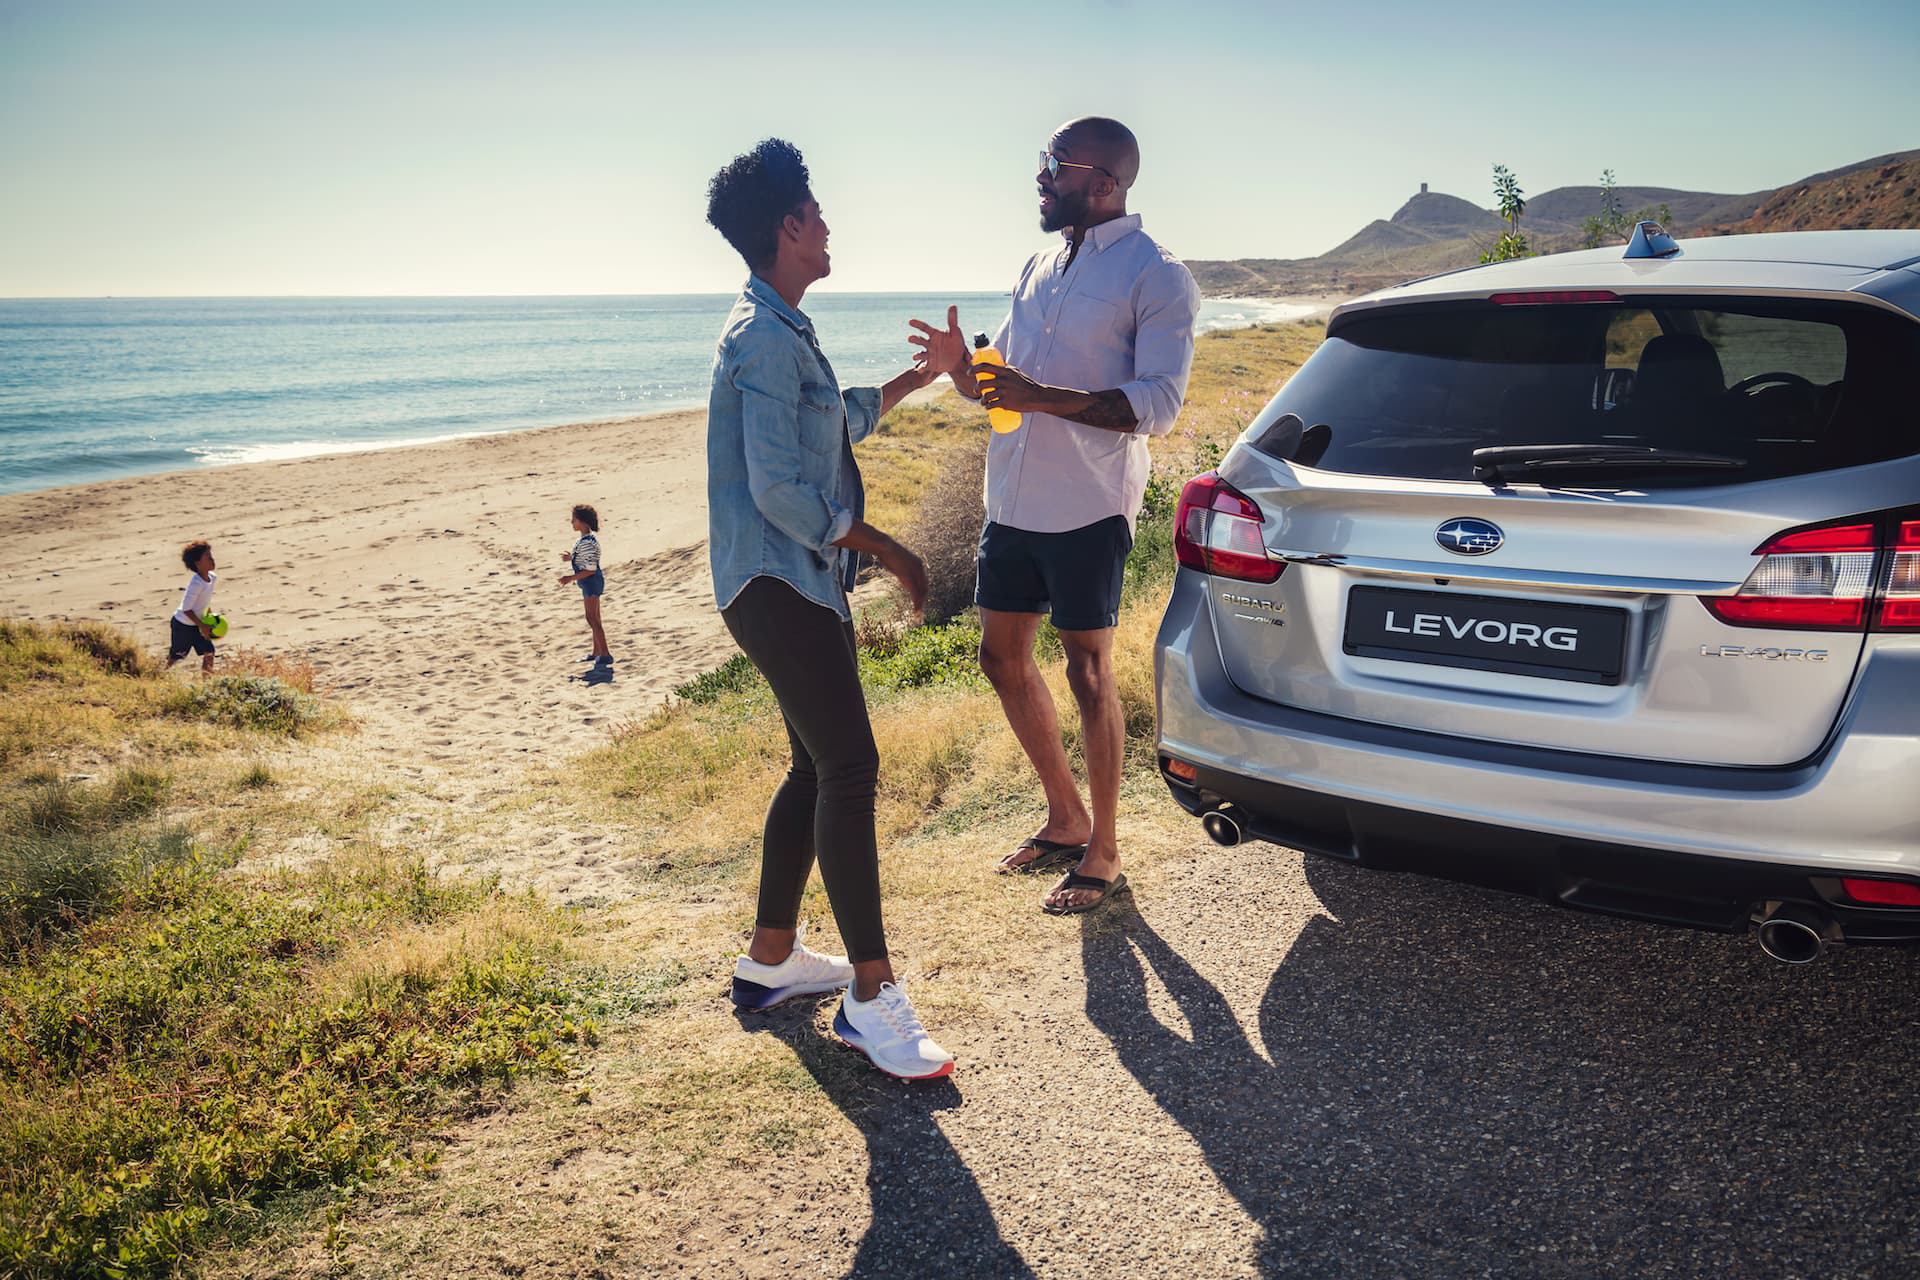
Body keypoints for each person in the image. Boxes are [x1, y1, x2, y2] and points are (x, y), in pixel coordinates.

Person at [705, 138, 966, 1079]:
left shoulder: (782, 329)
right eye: (815, 213)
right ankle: (870, 995)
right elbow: (780, 492)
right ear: (787, 226)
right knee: (850, 765)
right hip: (778, 582)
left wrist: (920, 379)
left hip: (786, 584)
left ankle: (769, 962)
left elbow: (835, 421)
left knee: (816, 768)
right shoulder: (763, 339)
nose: (827, 227)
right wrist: (883, 544)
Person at [932, 116, 1199, 915]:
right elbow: (1000, 389)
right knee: (999, 660)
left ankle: (1106, 851)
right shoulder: (1040, 263)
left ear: (1105, 183)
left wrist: (1039, 398)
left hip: (1088, 504)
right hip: (1011, 495)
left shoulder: (1159, 275)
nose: (1040, 177)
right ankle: (1065, 816)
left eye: (1054, 165)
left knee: (1088, 674)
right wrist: (962, 372)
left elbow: (1160, 404)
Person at [557, 503, 611, 669]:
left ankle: (606, 654)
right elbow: (585, 560)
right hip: (590, 581)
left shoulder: (587, 542)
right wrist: (571, 558)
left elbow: (589, 569)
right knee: (595, 617)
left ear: (581, 521)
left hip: (591, 582)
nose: (572, 523)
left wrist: (569, 578)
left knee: (592, 618)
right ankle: (597, 652)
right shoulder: (586, 540)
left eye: (573, 520)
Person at [166, 539, 219, 674]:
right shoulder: (196, 584)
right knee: (177, 655)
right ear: (198, 563)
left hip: (198, 624)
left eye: (211, 555)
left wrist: (210, 618)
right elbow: (186, 609)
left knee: (209, 652)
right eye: (207, 557)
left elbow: (204, 602)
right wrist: (203, 626)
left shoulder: (212, 578)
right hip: (183, 625)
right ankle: (159, 673)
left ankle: (207, 684)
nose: (212, 559)